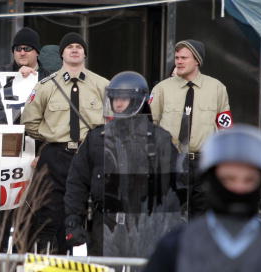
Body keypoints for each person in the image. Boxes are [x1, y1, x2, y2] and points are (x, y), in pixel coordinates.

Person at [129, 125, 261, 272]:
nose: (239, 188)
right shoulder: (177, 244)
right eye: (229, 179)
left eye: (249, 180)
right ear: (212, 179)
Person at [64, 71, 183, 257]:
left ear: (137, 100)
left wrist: (173, 225)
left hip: (146, 227)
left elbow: (176, 186)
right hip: (104, 226)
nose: (117, 104)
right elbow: (77, 183)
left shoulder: (159, 139)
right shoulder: (96, 138)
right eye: (114, 98)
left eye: (124, 98)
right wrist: (73, 220)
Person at [20, 32, 108, 254]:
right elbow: (29, 122)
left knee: (94, 211)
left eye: (79, 46)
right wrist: (50, 137)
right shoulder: (46, 86)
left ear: (85, 53)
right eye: (70, 46)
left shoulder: (102, 85)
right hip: (56, 156)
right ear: (62, 54)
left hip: (92, 156)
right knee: (51, 213)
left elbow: (112, 119)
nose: (75, 49)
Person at [150, 39, 231, 217]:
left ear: (197, 61)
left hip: (203, 162)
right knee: (169, 215)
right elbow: (151, 126)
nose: (178, 61)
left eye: (184, 58)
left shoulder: (217, 88)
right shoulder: (162, 89)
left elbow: (224, 126)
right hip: (171, 160)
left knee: (202, 215)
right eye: (177, 57)